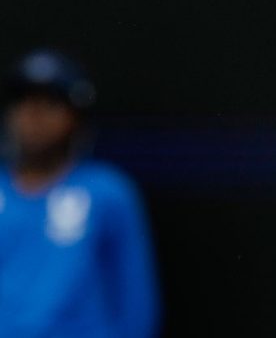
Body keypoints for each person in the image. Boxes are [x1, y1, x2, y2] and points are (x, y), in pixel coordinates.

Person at [0, 49, 160, 338]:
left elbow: (135, 299)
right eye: (24, 102)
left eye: (50, 103)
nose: (34, 116)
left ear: (75, 118)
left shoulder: (107, 192)